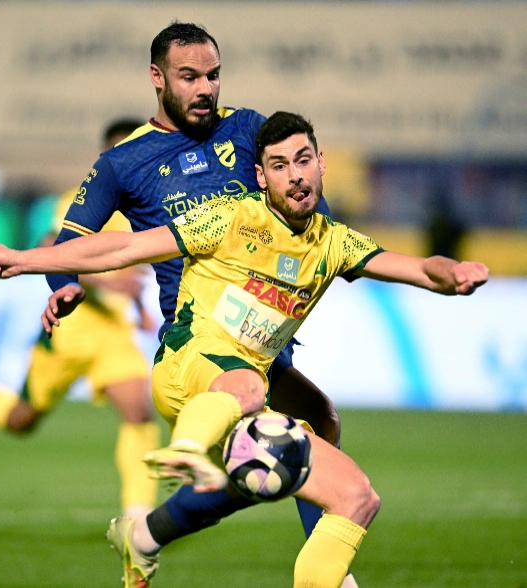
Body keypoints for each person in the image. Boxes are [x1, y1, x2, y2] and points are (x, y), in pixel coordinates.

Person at [0, 111, 489, 588]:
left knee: (353, 494)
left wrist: (454, 274)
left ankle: (146, 537)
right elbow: (125, 246)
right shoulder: (230, 217)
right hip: (186, 368)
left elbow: (421, 268)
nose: (295, 175)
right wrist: (27, 260)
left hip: (245, 382)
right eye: (279, 165)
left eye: (303, 160)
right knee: (250, 389)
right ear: (261, 176)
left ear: (321, 163)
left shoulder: (334, 242)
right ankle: (185, 450)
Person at [40, 22, 351, 578]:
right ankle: (330, 577)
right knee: (291, 446)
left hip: (264, 332)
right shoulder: (123, 162)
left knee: (302, 435)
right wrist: (63, 284)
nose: (205, 88)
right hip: (203, 342)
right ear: (157, 78)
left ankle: (145, 534)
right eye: (189, 77)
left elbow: (303, 199)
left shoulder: (248, 128)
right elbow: (69, 244)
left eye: (213, 75)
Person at [0, 119, 161, 518]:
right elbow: (51, 245)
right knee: (21, 420)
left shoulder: (145, 205)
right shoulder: (84, 198)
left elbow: (131, 271)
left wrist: (139, 308)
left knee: (139, 413)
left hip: (112, 333)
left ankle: (137, 516)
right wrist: (107, 284)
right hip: (69, 326)